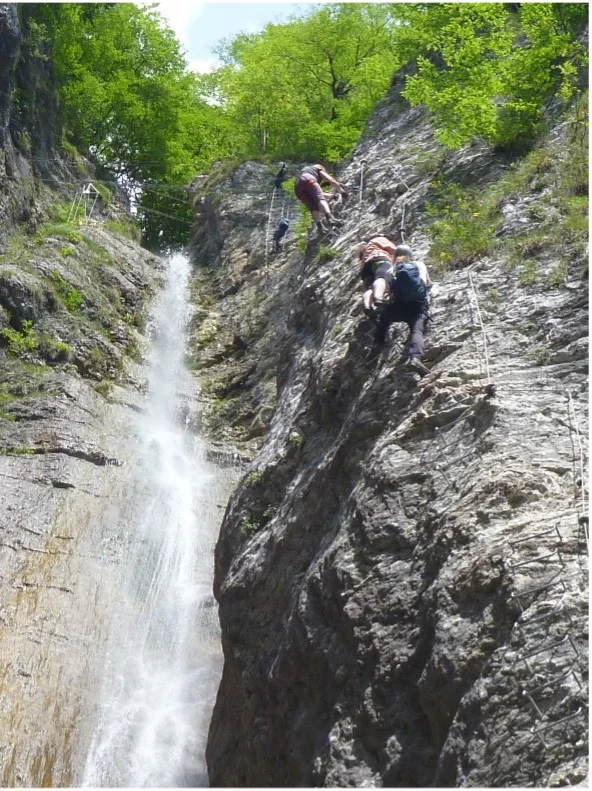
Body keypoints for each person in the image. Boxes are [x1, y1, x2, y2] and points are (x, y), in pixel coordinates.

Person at [374, 244, 432, 375]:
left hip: (398, 306)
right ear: (410, 255)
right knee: (417, 331)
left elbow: (389, 292)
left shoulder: (391, 270)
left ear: (395, 257)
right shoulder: (419, 265)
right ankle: (415, 358)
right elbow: (426, 283)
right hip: (417, 305)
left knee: (383, 319)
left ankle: (378, 343)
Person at [294, 164, 347, 234]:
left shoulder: (304, 172)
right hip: (308, 179)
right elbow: (330, 180)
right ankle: (330, 218)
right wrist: (341, 191)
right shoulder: (317, 169)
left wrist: (332, 196)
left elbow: (315, 193)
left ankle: (320, 227)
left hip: (298, 189)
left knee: (313, 207)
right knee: (320, 199)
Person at [358, 235, 397, 320]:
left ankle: (368, 306)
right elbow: (393, 250)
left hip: (365, 269)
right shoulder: (378, 239)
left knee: (370, 288)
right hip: (379, 259)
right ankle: (378, 297)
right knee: (381, 277)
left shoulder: (366, 251)